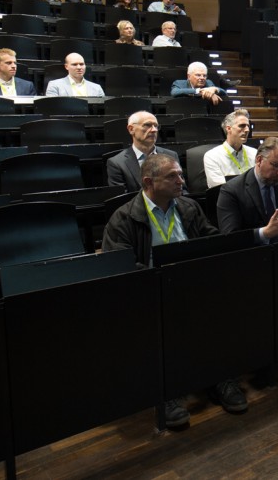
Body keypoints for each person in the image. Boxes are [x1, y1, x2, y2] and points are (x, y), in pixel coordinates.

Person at [101, 153, 238, 429]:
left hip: (191, 285)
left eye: (180, 174)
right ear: (149, 182)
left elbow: (210, 239)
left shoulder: (188, 207)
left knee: (223, 307)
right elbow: (120, 266)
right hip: (148, 291)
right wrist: (161, 277)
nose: (181, 180)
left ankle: (217, 376)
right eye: (172, 176)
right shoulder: (123, 218)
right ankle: (166, 392)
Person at [217, 137, 278, 244]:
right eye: (276, 166)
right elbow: (229, 238)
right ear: (259, 160)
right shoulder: (231, 190)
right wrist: (265, 233)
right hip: (253, 253)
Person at [106, 111, 180, 193]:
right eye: (147, 125)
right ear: (131, 129)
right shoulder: (117, 163)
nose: (154, 130)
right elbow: (122, 200)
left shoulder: (171, 155)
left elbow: (182, 190)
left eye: (156, 126)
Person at [203, 109, 256, 188]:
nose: (247, 130)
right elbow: (220, 189)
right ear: (228, 129)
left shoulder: (255, 153)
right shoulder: (212, 156)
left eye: (248, 126)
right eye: (242, 126)